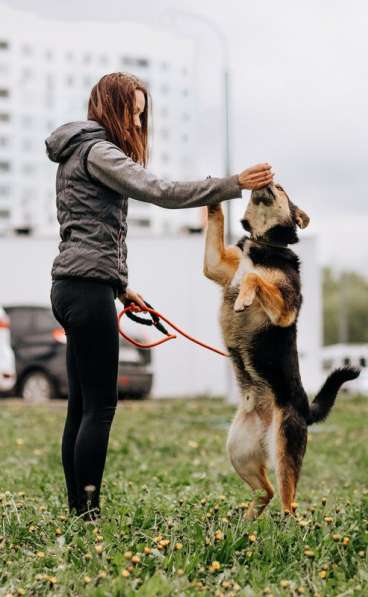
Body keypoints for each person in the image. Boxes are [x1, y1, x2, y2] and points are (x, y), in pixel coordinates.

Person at [46, 72, 274, 520]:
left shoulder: (74, 153)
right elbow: (160, 191)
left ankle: (78, 512)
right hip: (86, 290)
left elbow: (86, 234)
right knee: (100, 407)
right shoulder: (99, 152)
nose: (136, 118)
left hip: (74, 286)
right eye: (132, 109)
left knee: (82, 407)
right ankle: (86, 516)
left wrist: (121, 286)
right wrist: (232, 184)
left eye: (141, 111)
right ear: (111, 106)